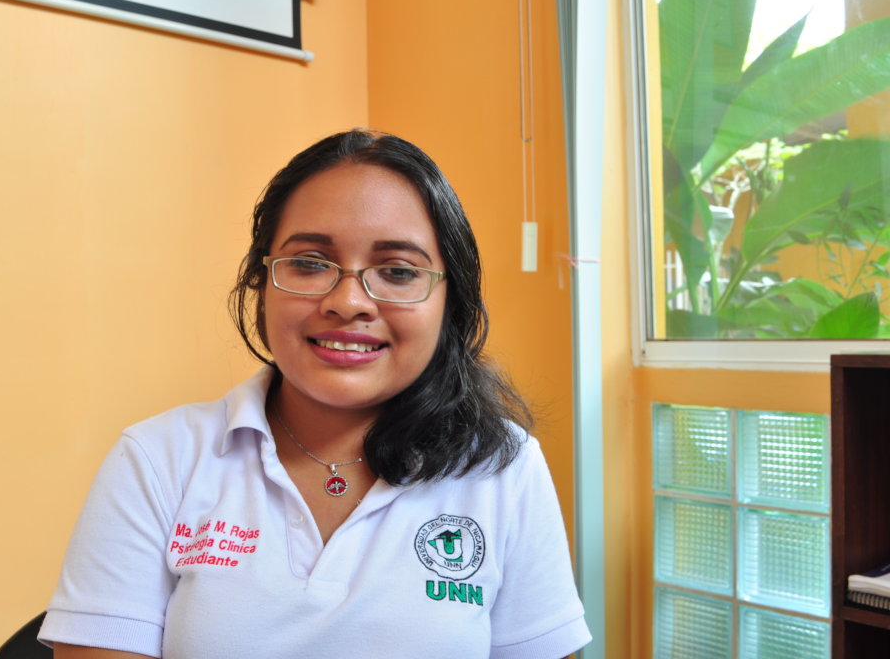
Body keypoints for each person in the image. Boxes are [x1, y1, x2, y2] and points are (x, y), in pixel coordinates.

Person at [38, 129, 591, 658]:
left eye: (398, 271)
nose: (348, 302)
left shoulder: (503, 468)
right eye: (308, 264)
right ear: (260, 282)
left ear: (450, 302)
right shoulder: (158, 460)